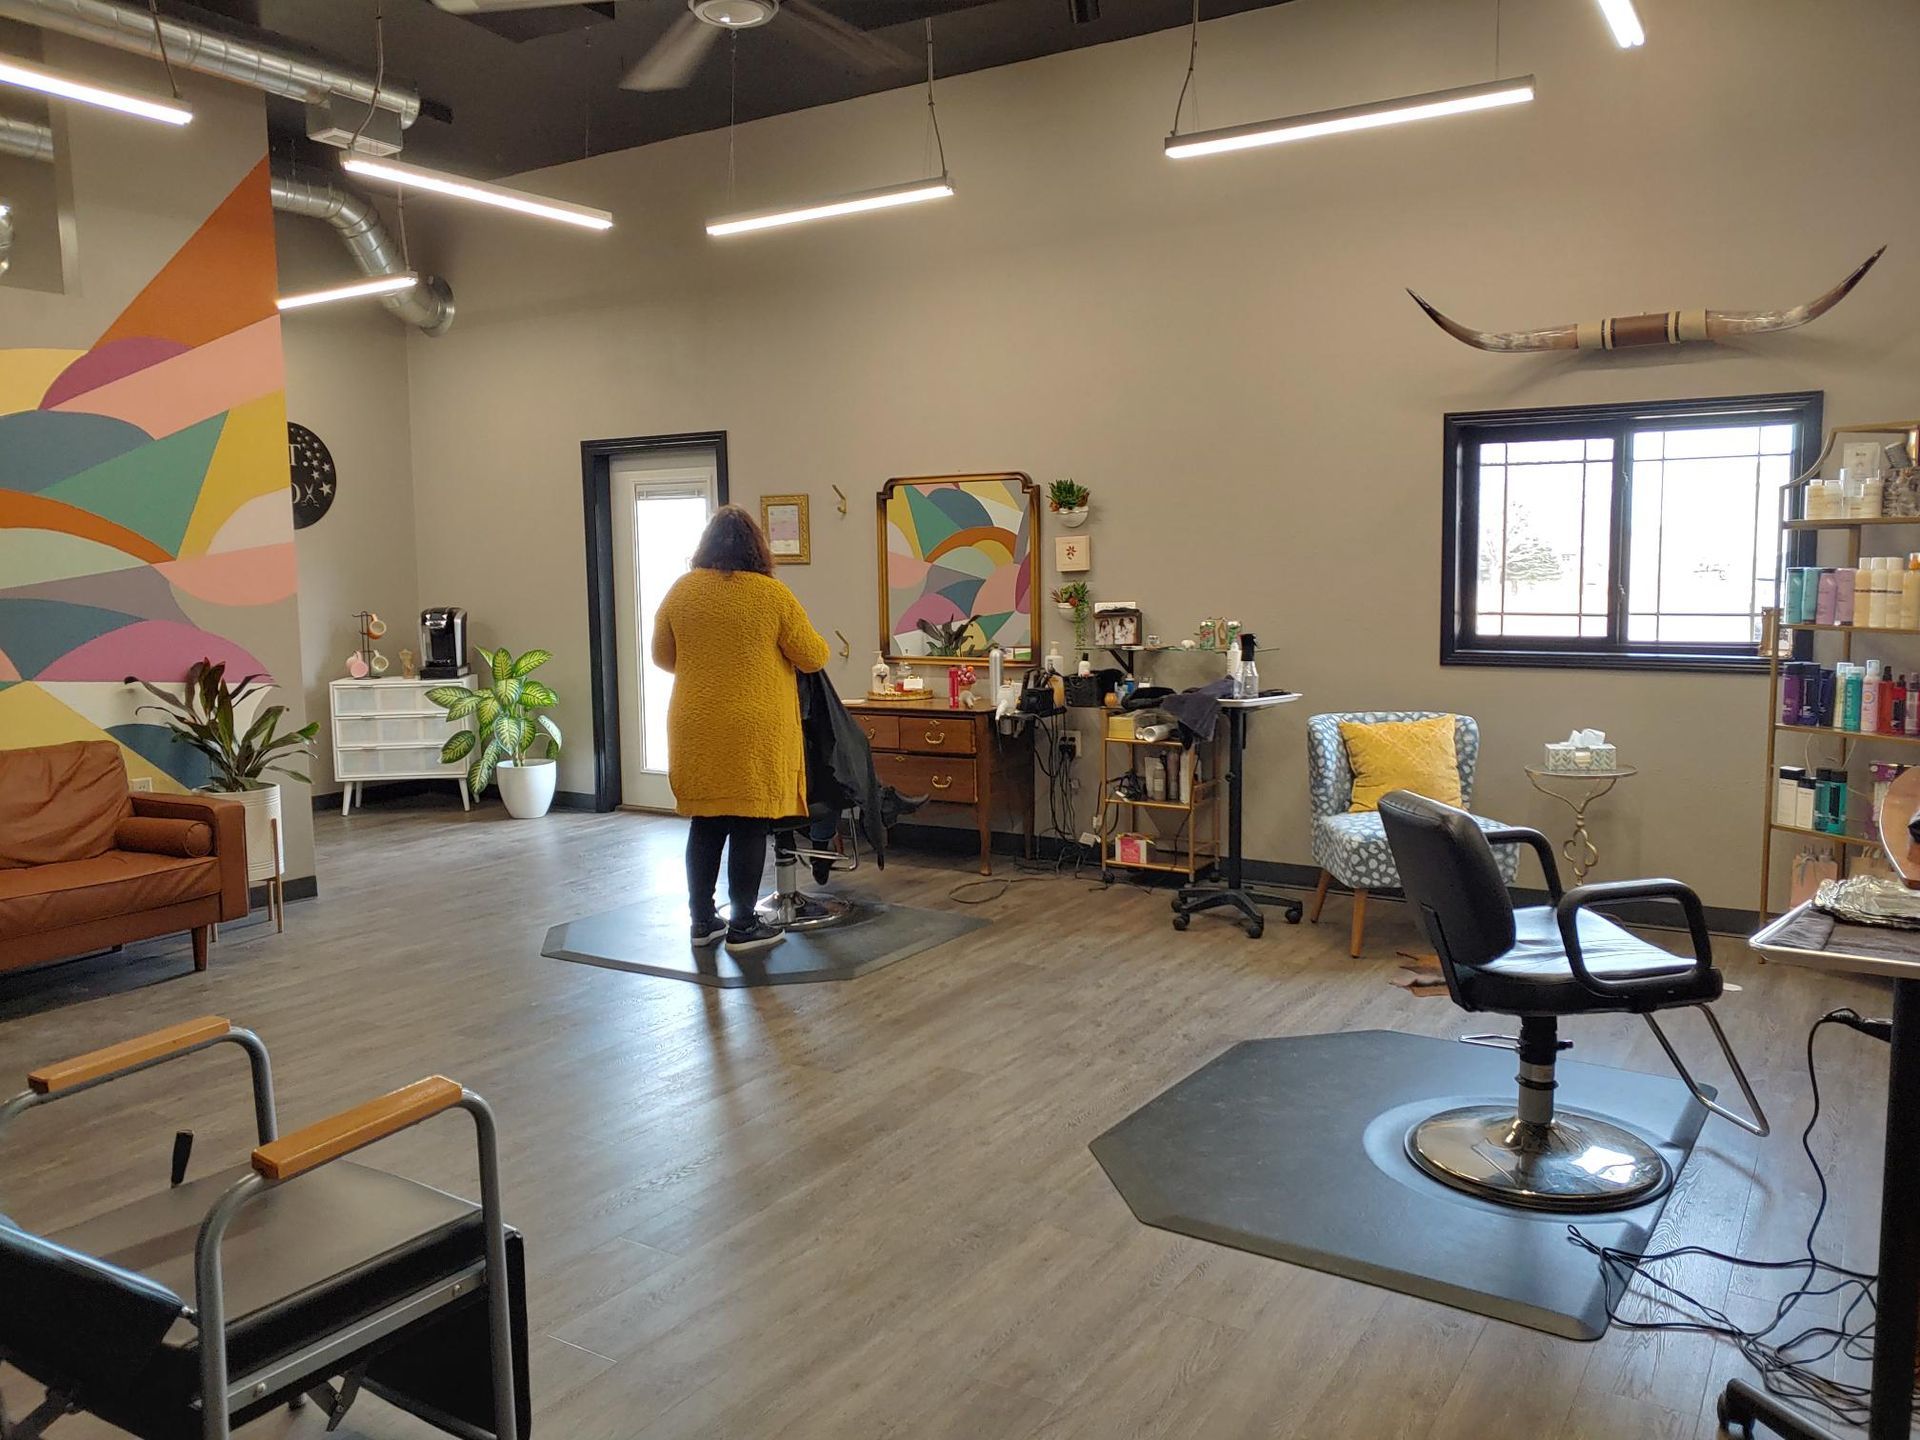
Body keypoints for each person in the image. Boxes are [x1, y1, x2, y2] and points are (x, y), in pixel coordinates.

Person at [651, 505, 830, 953]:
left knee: (706, 821)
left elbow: (662, 656)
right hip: (755, 725)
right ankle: (745, 925)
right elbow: (813, 655)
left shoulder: (682, 591)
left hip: (696, 722)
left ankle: (702, 921)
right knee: (750, 821)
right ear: (757, 548)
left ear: (705, 545)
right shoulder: (771, 595)